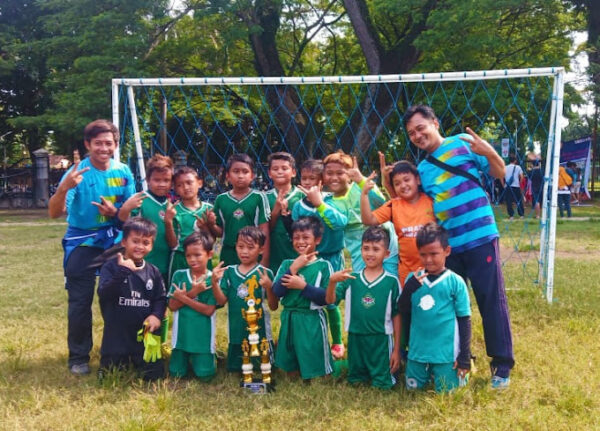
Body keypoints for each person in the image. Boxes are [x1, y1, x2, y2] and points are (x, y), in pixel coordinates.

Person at [403, 104, 513, 388]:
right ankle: (458, 358)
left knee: (491, 299)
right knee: (449, 304)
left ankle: (502, 365)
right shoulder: (423, 170)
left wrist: (488, 151)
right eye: (411, 133)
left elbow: (499, 173)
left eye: (420, 128)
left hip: (480, 237)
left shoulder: (463, 145)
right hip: (448, 247)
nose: (417, 135)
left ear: (435, 123)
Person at [48, 119, 136, 375]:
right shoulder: (77, 174)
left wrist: (116, 212)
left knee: (120, 299)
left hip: (114, 241)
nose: (103, 148)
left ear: (116, 145)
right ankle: (78, 357)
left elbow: (130, 216)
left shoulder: (124, 172)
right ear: (88, 144)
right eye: (98, 143)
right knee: (79, 301)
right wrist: (64, 188)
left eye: (109, 143)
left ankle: (119, 352)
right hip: (82, 242)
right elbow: (54, 213)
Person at [399, 223, 472, 393]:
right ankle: (424, 369)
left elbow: (464, 320)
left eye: (434, 254)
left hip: (445, 354)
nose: (428, 259)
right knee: (412, 391)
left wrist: (464, 357)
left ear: (447, 251)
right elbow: (402, 310)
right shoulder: (413, 278)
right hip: (418, 352)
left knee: (448, 392)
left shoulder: (456, 282)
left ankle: (457, 370)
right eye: (423, 255)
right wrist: (409, 288)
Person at [325, 227, 401, 389]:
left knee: (382, 384)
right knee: (356, 381)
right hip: (355, 337)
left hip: (380, 338)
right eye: (366, 248)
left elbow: (397, 315)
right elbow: (330, 300)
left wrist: (396, 349)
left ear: (386, 254)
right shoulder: (351, 278)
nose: (370, 254)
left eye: (376, 249)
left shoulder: (391, 282)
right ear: (360, 250)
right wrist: (332, 282)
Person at [97, 217, 167, 381]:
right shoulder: (111, 266)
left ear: (151, 245)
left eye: (146, 242)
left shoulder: (153, 272)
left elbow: (161, 298)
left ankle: (141, 361)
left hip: (144, 334)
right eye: (135, 241)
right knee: (109, 376)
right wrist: (123, 272)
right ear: (123, 242)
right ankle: (112, 360)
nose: (140, 246)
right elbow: (104, 293)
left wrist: (156, 315)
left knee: (155, 375)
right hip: (116, 333)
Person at [293, 159, 347, 359]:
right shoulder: (298, 206)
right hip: (310, 259)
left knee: (331, 300)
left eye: (312, 179)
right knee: (311, 299)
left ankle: (338, 342)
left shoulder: (333, 200)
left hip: (332, 257)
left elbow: (340, 223)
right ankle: (312, 340)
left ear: (321, 182)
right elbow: (298, 233)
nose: (307, 183)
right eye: (304, 178)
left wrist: (320, 203)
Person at [272, 216, 334, 380]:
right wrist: (293, 268)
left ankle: (322, 371)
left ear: (318, 239)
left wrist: (304, 287)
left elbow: (326, 299)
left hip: (311, 318)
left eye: (306, 237)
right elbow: (277, 291)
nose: (300, 241)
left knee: (316, 370)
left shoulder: (323, 266)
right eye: (296, 238)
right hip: (289, 317)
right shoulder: (287, 264)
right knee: (290, 370)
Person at [210, 227, 278, 372]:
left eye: (250, 247)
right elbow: (221, 301)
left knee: (263, 366)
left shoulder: (265, 273)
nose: (244, 251)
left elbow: (273, 306)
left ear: (261, 250)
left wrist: (269, 287)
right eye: (240, 247)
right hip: (236, 329)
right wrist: (214, 283)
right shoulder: (229, 272)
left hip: (260, 331)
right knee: (236, 368)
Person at [322, 151, 399, 275]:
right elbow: (337, 223)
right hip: (359, 251)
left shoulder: (360, 186)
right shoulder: (328, 203)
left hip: (387, 245)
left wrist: (361, 180)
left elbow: (380, 202)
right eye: (329, 173)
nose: (334, 178)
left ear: (349, 174)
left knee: (391, 279)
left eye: (340, 173)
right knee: (363, 283)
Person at [360, 160, 435, 286]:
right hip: (407, 271)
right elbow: (368, 220)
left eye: (407, 180)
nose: (403, 185)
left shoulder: (431, 201)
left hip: (434, 267)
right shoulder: (394, 205)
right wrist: (364, 195)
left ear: (417, 180)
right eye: (397, 183)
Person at [168, 231, 218, 380]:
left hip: (203, 338)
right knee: (176, 374)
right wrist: (193, 292)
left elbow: (208, 311)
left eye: (197, 255)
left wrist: (185, 297)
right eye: (188, 255)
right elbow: (172, 306)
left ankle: (203, 360)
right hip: (181, 338)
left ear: (209, 254)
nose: (192, 259)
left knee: (205, 376)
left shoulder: (212, 279)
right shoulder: (179, 275)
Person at [118, 154, 174, 281]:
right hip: (142, 263)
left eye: (166, 180)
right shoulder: (140, 199)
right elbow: (123, 220)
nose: (161, 184)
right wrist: (126, 208)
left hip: (166, 264)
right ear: (148, 180)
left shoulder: (172, 205)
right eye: (157, 180)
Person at [210, 154, 271, 266]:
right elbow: (219, 233)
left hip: (252, 253)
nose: (240, 176)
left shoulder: (259, 197)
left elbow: (264, 230)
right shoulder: (221, 199)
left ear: (252, 176)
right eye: (236, 171)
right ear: (228, 176)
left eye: (245, 172)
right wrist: (211, 224)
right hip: (228, 253)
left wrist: (264, 260)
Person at [165, 166, 218, 280]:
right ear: (175, 188)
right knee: (178, 292)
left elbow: (212, 241)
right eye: (180, 185)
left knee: (205, 291)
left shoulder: (209, 209)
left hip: (203, 258)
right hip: (180, 258)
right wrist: (168, 222)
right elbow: (172, 244)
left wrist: (205, 228)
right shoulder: (174, 210)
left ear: (199, 183)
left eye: (189, 182)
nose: (185, 187)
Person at [265, 152, 304, 272]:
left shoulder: (302, 196)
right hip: (274, 251)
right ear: (269, 174)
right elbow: (265, 229)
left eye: (284, 168)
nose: (280, 172)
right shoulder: (264, 197)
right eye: (275, 169)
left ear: (293, 172)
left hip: (297, 250)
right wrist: (276, 210)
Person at [504, 155, 524, 219]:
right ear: (515, 160)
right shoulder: (518, 167)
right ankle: (521, 214)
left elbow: (502, 176)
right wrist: (519, 183)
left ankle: (511, 215)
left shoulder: (505, 167)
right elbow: (522, 177)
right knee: (519, 200)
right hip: (516, 185)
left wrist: (503, 184)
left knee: (509, 201)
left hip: (508, 186)